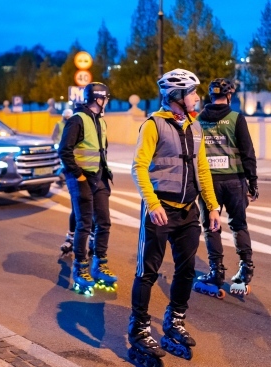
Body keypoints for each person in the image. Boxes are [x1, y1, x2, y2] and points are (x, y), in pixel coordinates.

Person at [128, 69, 221, 364]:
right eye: (193, 92)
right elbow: (138, 167)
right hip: (160, 210)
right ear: (176, 97)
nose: (198, 97)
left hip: (188, 211)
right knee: (147, 273)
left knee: (186, 270)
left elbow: (202, 169)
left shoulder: (195, 126)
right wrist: (152, 204)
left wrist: (213, 206)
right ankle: (139, 328)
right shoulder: (154, 125)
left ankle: (174, 319)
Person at [193, 78, 259, 298]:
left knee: (211, 226)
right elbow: (247, 151)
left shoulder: (199, 119)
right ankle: (245, 268)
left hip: (208, 183)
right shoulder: (235, 118)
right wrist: (253, 181)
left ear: (210, 96)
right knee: (239, 224)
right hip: (234, 180)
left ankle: (216, 271)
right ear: (229, 95)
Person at [58, 82, 116, 294]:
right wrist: (79, 175)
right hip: (81, 179)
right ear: (98, 99)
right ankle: (80, 268)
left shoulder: (101, 121)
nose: (107, 102)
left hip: (99, 178)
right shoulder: (77, 120)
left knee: (104, 222)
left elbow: (102, 149)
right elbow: (65, 151)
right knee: (84, 224)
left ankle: (100, 263)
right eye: (105, 98)